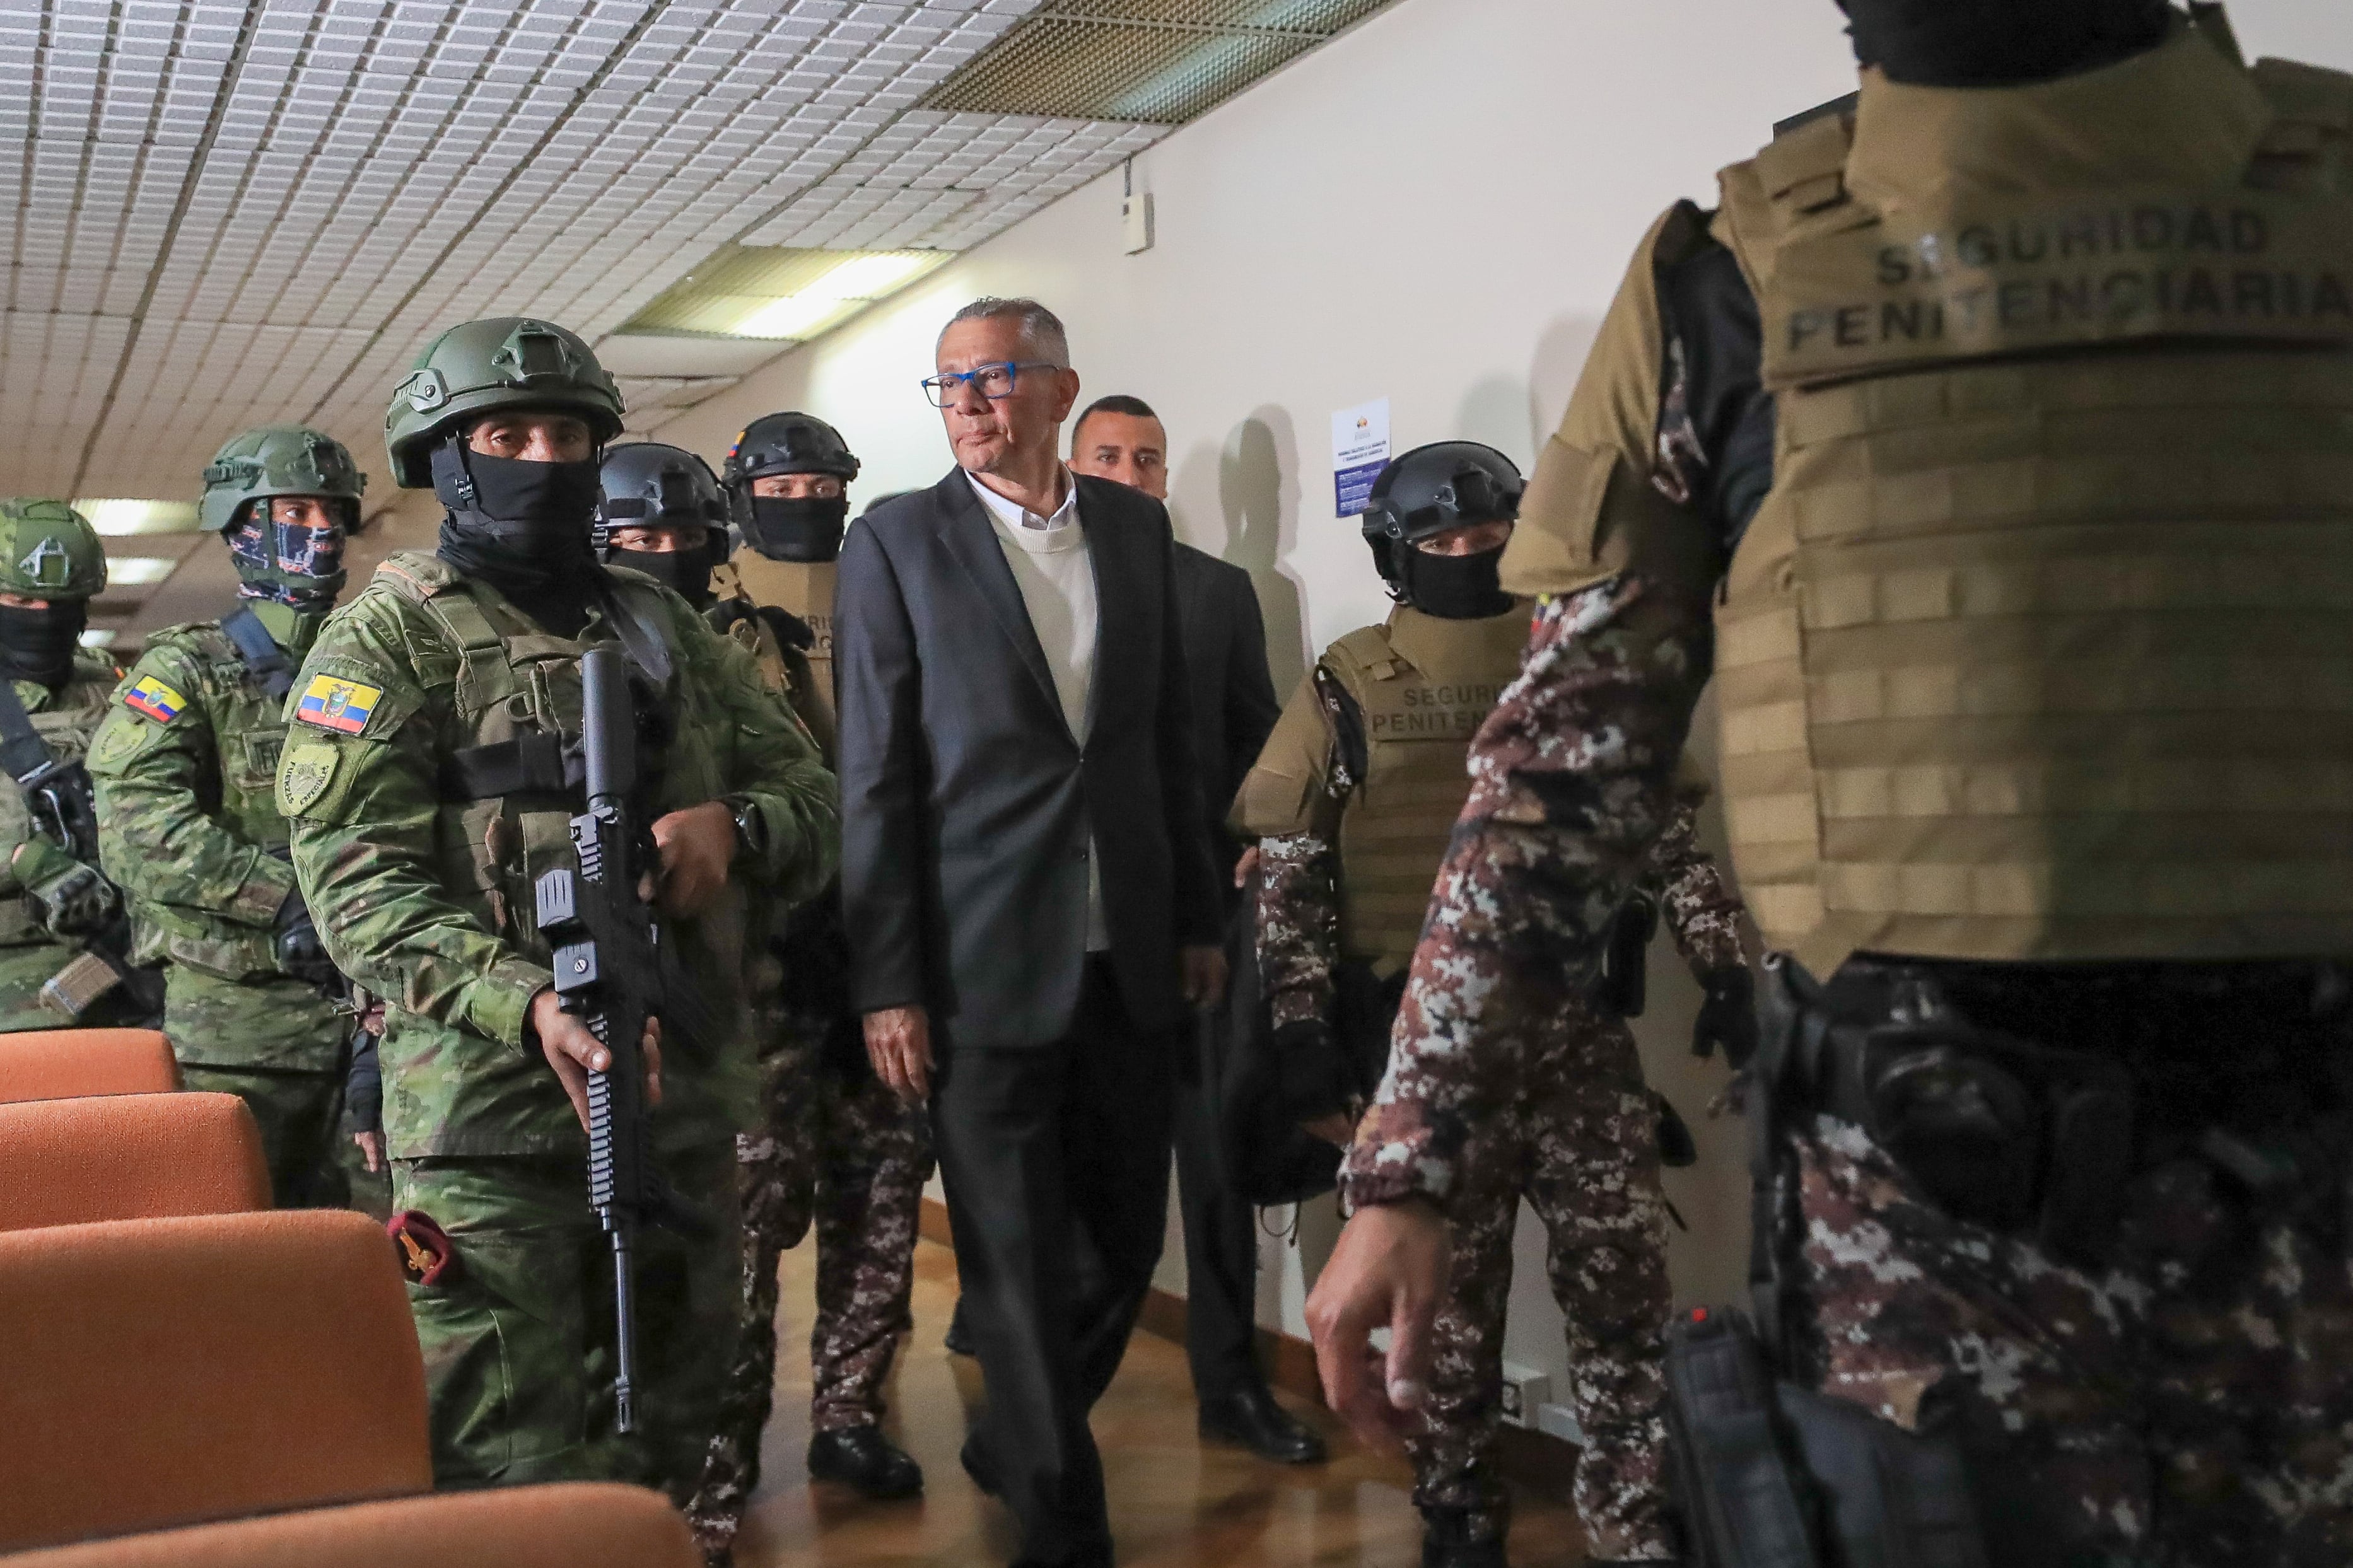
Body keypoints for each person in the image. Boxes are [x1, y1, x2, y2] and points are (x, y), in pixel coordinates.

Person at [1306, 5, 2353, 1565]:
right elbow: (1560, 776)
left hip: (2005, 1221)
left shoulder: (1731, 273)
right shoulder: (1725, 278)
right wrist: (1414, 1159)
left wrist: (1412, 1160)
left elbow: (1553, 779)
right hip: (1936, 1201)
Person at [277, 317, 838, 1520]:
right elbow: (355, 886)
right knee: (508, 1459)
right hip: (489, 1127)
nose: (544, 457)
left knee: (677, 1430)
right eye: (508, 435)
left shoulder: (664, 624)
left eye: (569, 436)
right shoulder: (389, 635)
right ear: (446, 459)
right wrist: (523, 1001)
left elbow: (816, 798)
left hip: (681, 1097)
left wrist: (735, 827)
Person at [1235, 443, 1747, 1565]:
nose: (1465, 553)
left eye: (1486, 534)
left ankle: (1634, 1522)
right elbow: (1291, 869)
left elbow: (1665, 832)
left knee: (1623, 1302)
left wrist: (1727, 966)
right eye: (1438, 540)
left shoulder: (1567, 658)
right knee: (1447, 1323)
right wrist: (1301, 1028)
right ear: (1396, 553)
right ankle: (1456, 1514)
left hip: (1577, 1042)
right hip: (1423, 1062)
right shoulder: (1350, 677)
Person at [836, 296, 1225, 1568]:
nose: (966, 403)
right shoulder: (896, 541)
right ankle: (1065, 1521)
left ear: (1058, 389)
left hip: (1129, 953)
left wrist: (1197, 912)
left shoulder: (1133, 526)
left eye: (994, 377)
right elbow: (874, 777)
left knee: (1121, 1242)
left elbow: (1167, 739)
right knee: (1008, 1259)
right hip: (976, 962)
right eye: (947, 383)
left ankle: (1017, 1436)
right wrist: (886, 979)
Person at [941, 392, 1320, 1465]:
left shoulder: (1215, 592)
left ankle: (1230, 1385)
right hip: (1057, 934)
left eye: (1146, 459)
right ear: (1073, 460)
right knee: (1067, 1178)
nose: (1128, 473)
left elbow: (1256, 737)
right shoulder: (1020, 578)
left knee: (1213, 1159)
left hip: (1190, 926)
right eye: (1106, 455)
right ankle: (1033, 1404)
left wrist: (1254, 839)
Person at [687, 414, 934, 1545]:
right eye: (780, 484)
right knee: (750, 1213)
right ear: (741, 494)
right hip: (767, 957)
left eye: (821, 482)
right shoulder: (701, 606)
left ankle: (848, 1410)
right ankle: (721, 1448)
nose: (803, 499)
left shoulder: (894, 582)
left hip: (886, 943)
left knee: (882, 1190)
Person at [91, 426, 369, 1209]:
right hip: (241, 1033)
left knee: (388, 1255)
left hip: (382, 1028)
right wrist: (284, 899)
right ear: (240, 524)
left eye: (334, 512)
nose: (320, 531)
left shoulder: (374, 660)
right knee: (236, 1244)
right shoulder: (186, 669)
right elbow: (138, 830)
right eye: (296, 511)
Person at [0, 498, 139, 1030]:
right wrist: (28, 861)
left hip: (121, 968)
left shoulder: (109, 684)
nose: (43, 617)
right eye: (21, 600)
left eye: (62, 604)